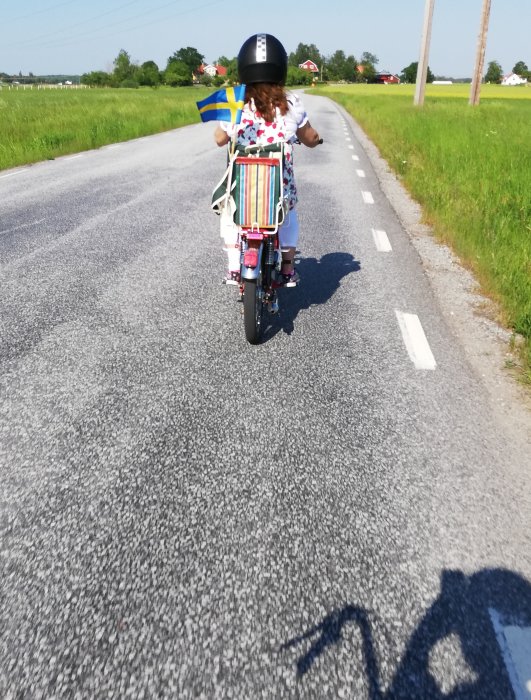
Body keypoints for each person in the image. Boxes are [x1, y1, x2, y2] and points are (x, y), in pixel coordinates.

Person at [214, 33, 321, 286]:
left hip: (242, 184)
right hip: (278, 185)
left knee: (231, 212)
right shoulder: (290, 102)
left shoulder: (235, 102)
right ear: (280, 68)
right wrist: (316, 140)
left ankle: (232, 266)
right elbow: (309, 137)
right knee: (288, 212)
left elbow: (219, 139)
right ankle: (286, 268)